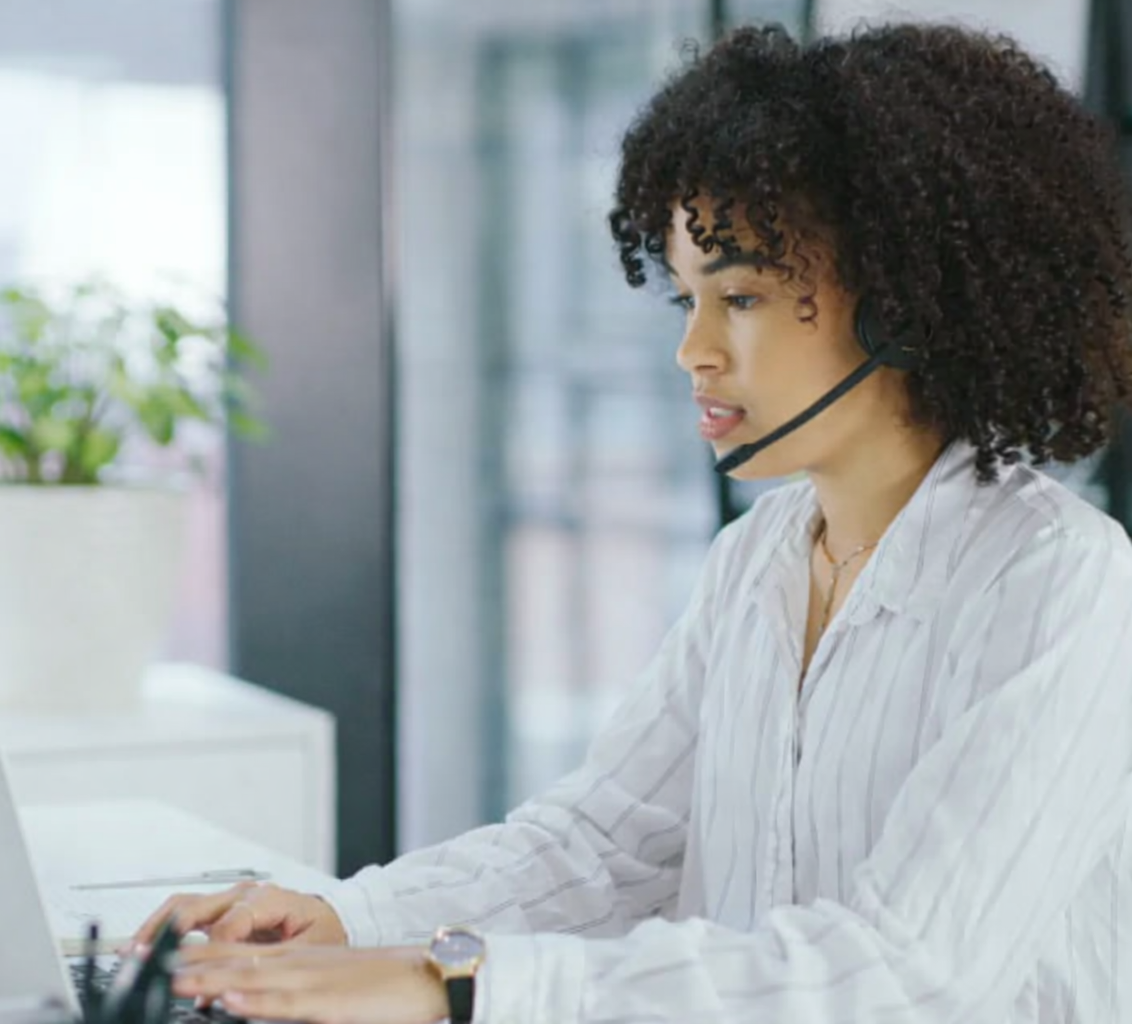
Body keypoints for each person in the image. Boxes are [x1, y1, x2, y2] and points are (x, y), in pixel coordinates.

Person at [136, 21, 1132, 1024]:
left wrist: (451, 983)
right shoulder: (758, 561)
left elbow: (901, 972)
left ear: (907, 307)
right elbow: (602, 845)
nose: (692, 351)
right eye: (686, 300)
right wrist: (345, 918)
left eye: (738, 295)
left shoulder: (1062, 586)